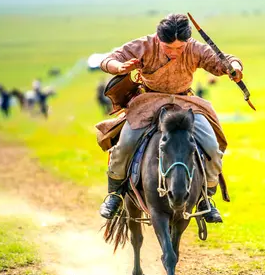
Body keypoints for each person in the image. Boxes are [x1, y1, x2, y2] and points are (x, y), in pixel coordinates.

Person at [98, 13, 244, 223]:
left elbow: (224, 61)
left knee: (212, 146)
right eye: (169, 48)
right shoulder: (145, 45)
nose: (175, 52)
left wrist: (235, 68)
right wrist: (117, 67)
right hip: (148, 101)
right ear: (158, 39)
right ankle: (115, 194)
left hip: (186, 103)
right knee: (126, 143)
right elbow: (109, 58)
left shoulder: (194, 48)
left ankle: (206, 198)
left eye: (180, 48)